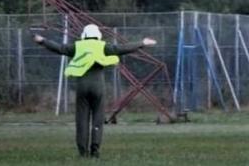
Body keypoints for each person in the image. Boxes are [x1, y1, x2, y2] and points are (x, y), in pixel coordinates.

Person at [34, 24, 157, 158]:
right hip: (98, 87)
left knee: (82, 121)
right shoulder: (103, 46)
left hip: (82, 87)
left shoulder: (78, 46)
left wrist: (42, 41)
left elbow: (60, 48)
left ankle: (83, 152)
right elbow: (122, 49)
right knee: (97, 119)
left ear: (84, 35)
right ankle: (95, 149)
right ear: (98, 35)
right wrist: (142, 43)